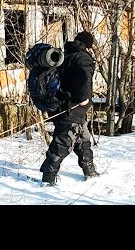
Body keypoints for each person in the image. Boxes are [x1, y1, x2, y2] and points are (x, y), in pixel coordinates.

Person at [40, 30, 100, 185]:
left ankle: (89, 170)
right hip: (71, 107)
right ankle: (48, 177)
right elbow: (85, 79)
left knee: (82, 139)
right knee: (63, 142)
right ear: (89, 46)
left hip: (60, 105)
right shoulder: (83, 58)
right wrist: (84, 99)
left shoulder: (66, 55)